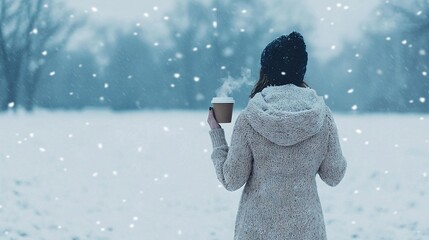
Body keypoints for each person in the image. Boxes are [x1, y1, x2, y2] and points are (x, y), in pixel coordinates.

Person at [207, 31, 347, 239]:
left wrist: (217, 133)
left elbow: (232, 180)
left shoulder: (250, 118)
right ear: (301, 71)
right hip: (306, 231)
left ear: (267, 71)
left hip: (256, 231)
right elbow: (334, 175)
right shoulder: (321, 116)